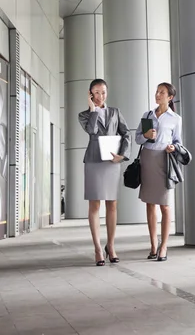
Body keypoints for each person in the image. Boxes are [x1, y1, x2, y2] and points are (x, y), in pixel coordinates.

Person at [78, 78, 130, 266]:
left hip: (111, 162)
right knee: (95, 205)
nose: (100, 96)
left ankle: (111, 245)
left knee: (112, 204)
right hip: (93, 162)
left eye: (103, 92)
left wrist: (122, 155)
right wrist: (93, 109)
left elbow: (126, 134)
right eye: (96, 92)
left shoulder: (115, 112)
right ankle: (98, 249)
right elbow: (92, 131)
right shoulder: (84, 115)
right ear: (90, 94)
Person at [135, 82, 182, 262]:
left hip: (164, 160)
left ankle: (164, 247)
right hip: (148, 159)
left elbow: (178, 142)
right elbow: (138, 138)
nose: (158, 94)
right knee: (150, 203)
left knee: (165, 204)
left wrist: (173, 147)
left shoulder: (175, 118)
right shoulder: (147, 115)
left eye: (162, 92)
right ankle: (153, 245)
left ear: (170, 97)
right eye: (157, 92)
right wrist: (146, 136)